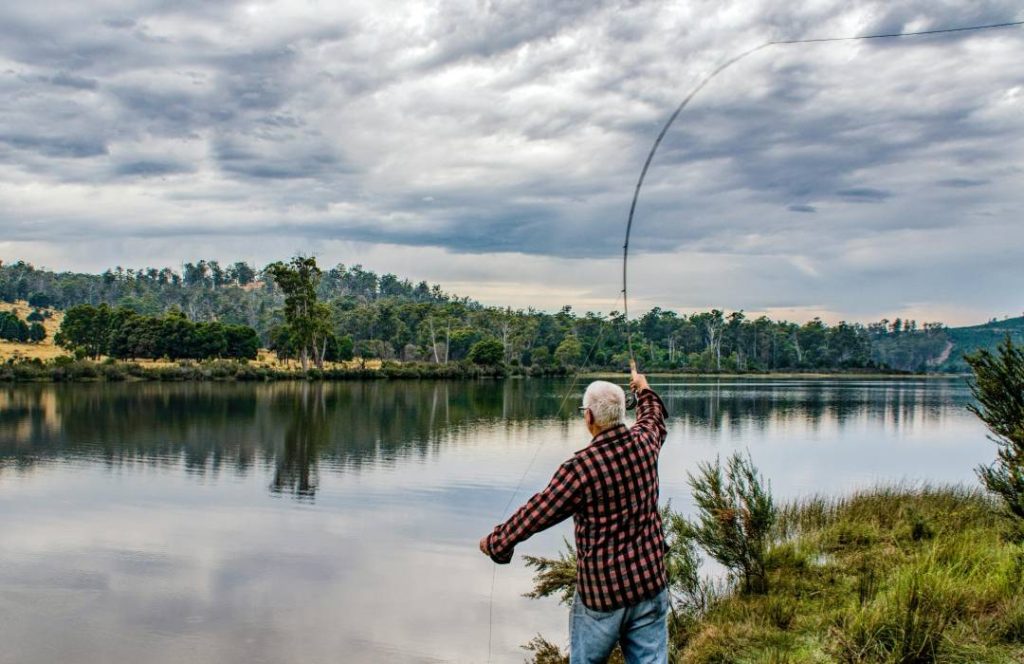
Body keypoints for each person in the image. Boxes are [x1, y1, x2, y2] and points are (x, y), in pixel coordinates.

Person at [479, 364, 669, 664]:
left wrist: (498, 542)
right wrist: (644, 390)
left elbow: (539, 511)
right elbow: (653, 418)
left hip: (602, 596)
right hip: (649, 583)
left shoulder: (581, 469)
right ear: (621, 414)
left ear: (589, 417)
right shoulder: (645, 444)